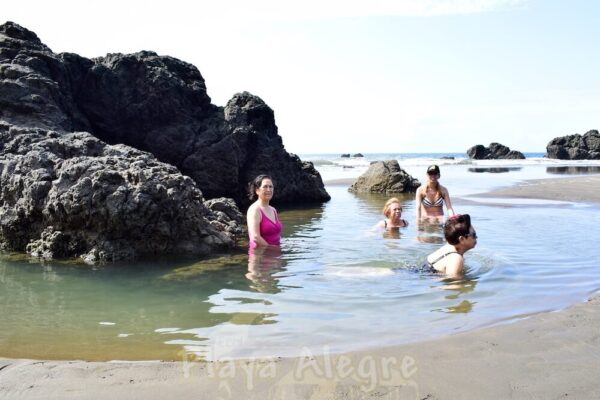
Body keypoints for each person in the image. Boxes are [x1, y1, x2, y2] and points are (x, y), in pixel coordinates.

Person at [247, 174, 282, 249]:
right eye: (265, 187)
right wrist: (272, 249)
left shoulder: (273, 210)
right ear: (257, 190)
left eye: (270, 187)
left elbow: (276, 234)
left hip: (276, 253)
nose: (269, 190)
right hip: (261, 255)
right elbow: (255, 237)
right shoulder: (254, 210)